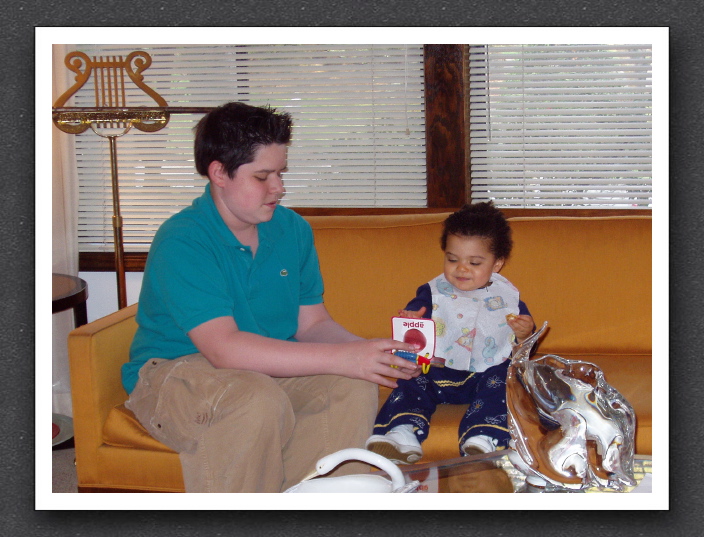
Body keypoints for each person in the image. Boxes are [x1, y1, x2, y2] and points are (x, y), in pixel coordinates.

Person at [121, 101, 420, 493]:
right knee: (254, 398)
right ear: (219, 173)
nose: (279, 187)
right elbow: (224, 350)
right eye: (263, 176)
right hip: (175, 373)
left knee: (351, 383)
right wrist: (345, 357)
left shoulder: (292, 229)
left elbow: (312, 324)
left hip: (258, 370)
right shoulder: (184, 239)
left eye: (280, 173)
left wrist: (373, 353)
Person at [365, 202, 534, 464]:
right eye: (452, 259)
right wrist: (411, 319)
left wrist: (525, 334)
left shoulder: (507, 297)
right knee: (410, 376)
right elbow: (414, 322)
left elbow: (524, 346)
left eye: (475, 262)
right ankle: (401, 433)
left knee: (507, 378)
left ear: (497, 263)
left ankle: (484, 436)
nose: (461, 268)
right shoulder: (432, 291)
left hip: (485, 375)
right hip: (438, 371)